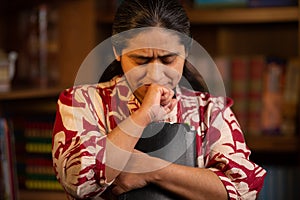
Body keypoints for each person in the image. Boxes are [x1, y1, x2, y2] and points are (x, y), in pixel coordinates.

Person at [52, 0, 266, 199]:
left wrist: (151, 169)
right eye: (141, 60)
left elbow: (243, 189)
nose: (155, 73)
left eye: (168, 59)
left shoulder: (212, 110)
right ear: (118, 51)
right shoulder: (82, 102)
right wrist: (143, 116)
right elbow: (78, 178)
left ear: (186, 51)